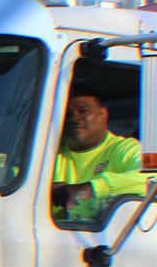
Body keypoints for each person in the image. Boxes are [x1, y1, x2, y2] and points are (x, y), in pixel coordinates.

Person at [51, 89, 149, 223]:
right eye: (68, 114)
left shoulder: (124, 148)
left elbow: (155, 177)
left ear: (103, 115)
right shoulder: (48, 152)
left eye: (83, 110)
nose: (75, 118)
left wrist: (92, 189)